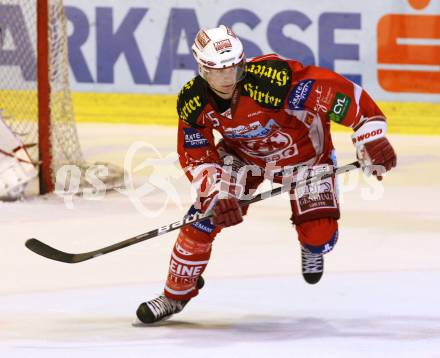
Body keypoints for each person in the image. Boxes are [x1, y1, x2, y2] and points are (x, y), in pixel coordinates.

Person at [135, 25, 397, 324]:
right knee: (203, 220)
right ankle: (174, 295)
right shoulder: (195, 102)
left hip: (306, 158)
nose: (227, 78)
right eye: (217, 71)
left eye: (234, 68)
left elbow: (336, 92)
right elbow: (197, 153)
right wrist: (219, 193)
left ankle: (310, 244)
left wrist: (370, 134)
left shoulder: (273, 81)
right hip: (243, 158)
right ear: (202, 69)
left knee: (320, 239)